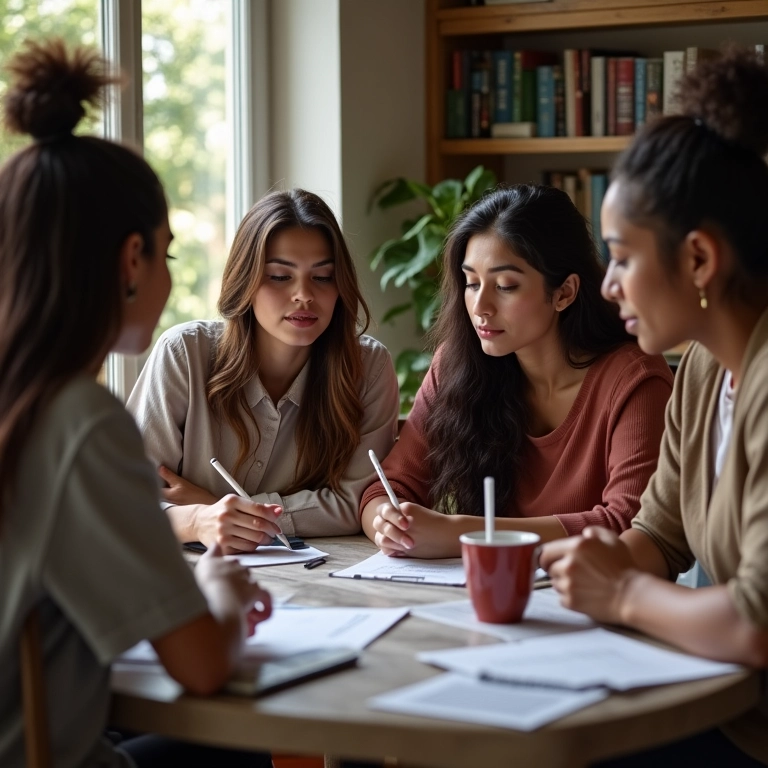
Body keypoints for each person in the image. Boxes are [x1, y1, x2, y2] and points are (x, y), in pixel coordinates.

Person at [0, 40, 273, 767]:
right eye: (167, 253)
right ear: (131, 260)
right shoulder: (80, 422)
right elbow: (201, 665)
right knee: (238, 748)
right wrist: (218, 588)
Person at [540, 48, 768, 767]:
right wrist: (595, 562)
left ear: (698, 259)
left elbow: (756, 623)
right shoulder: (700, 368)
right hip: (728, 712)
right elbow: (660, 536)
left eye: (622, 257)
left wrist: (621, 597)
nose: (608, 285)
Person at [361, 184, 673, 558]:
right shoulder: (456, 364)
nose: (480, 306)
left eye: (506, 286)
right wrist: (387, 521)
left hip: (591, 591)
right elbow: (389, 486)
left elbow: (631, 526)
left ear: (564, 293)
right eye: (471, 283)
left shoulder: (634, 379)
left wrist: (465, 533)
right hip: (479, 588)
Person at [127, 189, 399, 555]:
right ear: (246, 280)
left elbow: (356, 503)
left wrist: (215, 506)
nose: (304, 295)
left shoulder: (368, 367)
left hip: (313, 574)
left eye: (322, 277)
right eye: (280, 276)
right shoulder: (184, 354)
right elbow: (126, 499)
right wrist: (199, 520)